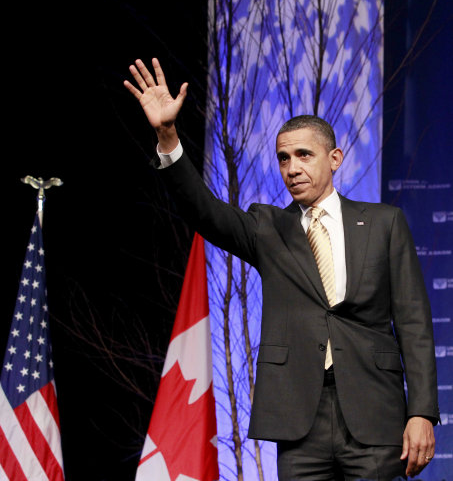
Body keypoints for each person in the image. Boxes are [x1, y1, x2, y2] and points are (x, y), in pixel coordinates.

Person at [124, 58, 439, 480]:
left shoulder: (385, 223)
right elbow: (203, 211)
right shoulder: (268, 228)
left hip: (374, 413)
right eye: (283, 158)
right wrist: (167, 136)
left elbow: (414, 323)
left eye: (304, 155)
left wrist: (421, 412)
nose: (292, 168)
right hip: (299, 421)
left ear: (335, 158)